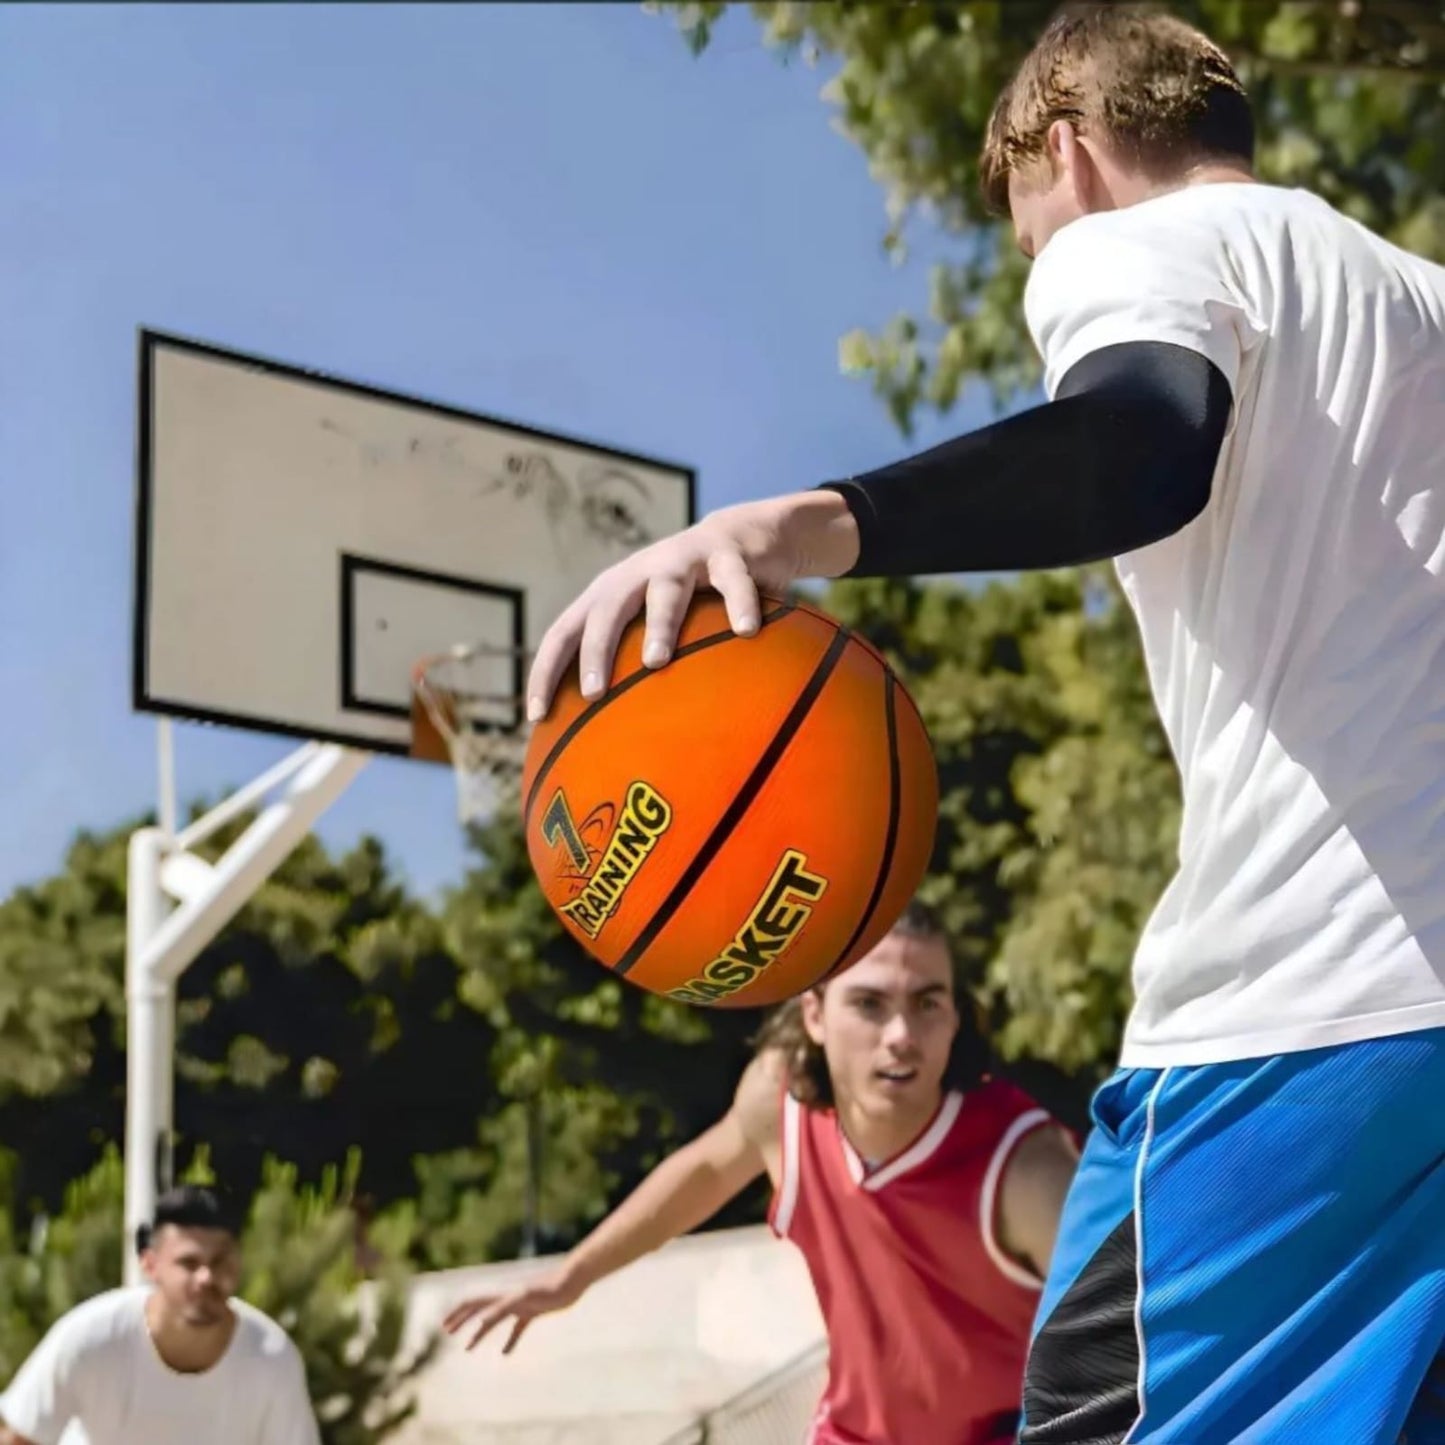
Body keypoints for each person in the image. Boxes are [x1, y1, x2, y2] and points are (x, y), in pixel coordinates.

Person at [521, 4, 1445, 1441]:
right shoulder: (1420, 300)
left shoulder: (1138, 242)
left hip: (1312, 1011)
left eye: (1024, 237)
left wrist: (801, 525)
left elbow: (1142, 439)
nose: (1038, 268)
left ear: (1065, 154)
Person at [443, 901, 1078, 1445]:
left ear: (956, 1018)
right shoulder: (783, 1105)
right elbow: (705, 1170)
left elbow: (1119, 1343)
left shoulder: (1027, 1166)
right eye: (869, 1003)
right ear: (814, 1015)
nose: (901, 1035)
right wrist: (570, 1276)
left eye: (927, 1002)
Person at [0, 1185, 319, 1445]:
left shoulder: (272, 1358)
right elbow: (21, 1436)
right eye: (189, 1263)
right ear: (151, 1264)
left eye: (220, 1261)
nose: (206, 1277)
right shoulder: (91, 1337)